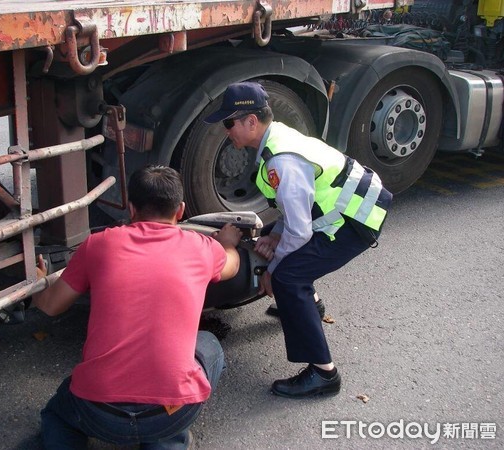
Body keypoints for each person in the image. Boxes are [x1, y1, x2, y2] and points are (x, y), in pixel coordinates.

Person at [32, 165, 242, 449]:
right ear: (180, 210)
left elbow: (51, 307)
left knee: (57, 414)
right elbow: (232, 267)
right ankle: (167, 440)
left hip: (99, 411)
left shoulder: (97, 245)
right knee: (209, 345)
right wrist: (227, 244)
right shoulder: (202, 247)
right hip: (169, 414)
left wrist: (40, 283)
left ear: (131, 208)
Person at [204, 82, 392, 398]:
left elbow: (301, 230)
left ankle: (323, 374)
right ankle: (311, 308)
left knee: (289, 278)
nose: (226, 131)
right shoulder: (274, 138)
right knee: (270, 243)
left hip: (353, 221)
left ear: (251, 121)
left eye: (229, 123)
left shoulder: (281, 161)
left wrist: (275, 270)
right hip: (339, 211)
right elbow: (293, 212)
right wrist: (274, 236)